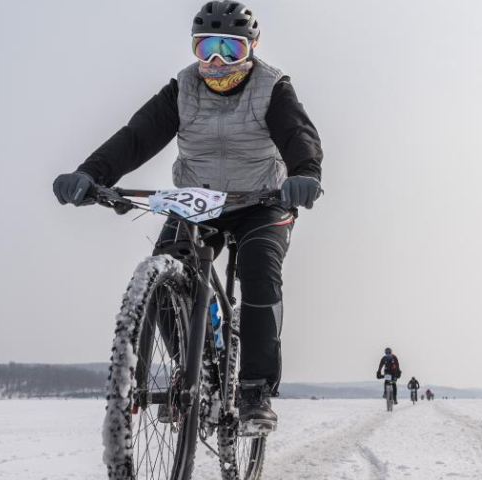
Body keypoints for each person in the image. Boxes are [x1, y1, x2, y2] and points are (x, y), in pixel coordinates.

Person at [52, 1, 323, 432]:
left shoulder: (272, 88)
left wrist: (305, 174)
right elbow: (136, 137)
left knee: (259, 269)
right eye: (206, 49)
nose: (216, 62)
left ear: (251, 49)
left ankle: (254, 391)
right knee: (165, 265)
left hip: (262, 201)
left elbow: (298, 136)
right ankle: (190, 372)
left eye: (229, 50)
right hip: (199, 202)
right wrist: (91, 173)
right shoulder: (182, 90)